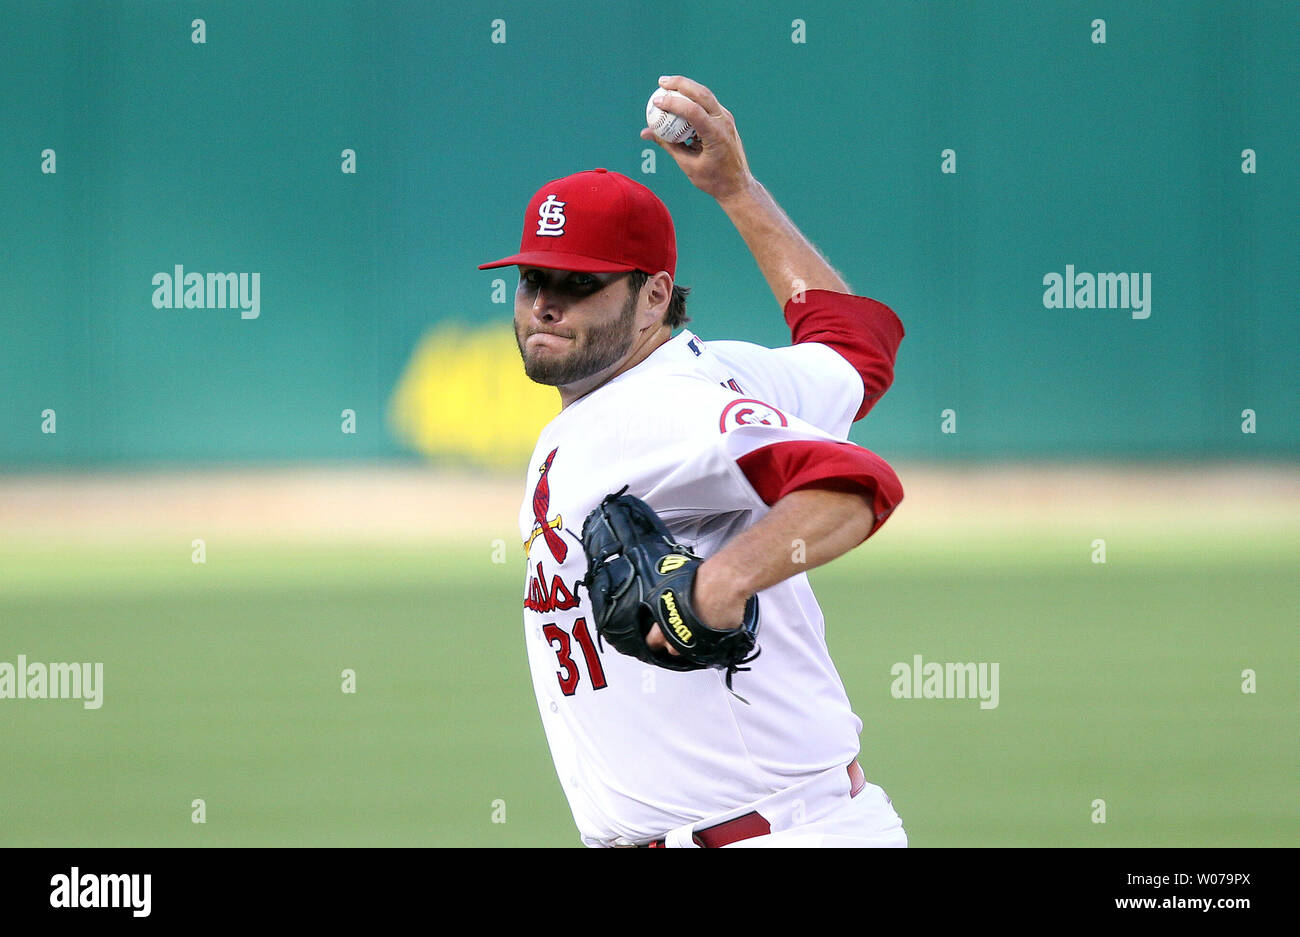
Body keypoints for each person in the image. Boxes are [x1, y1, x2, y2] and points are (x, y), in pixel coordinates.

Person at [478, 76, 907, 847]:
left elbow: (856, 485)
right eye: (534, 277)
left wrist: (720, 581)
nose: (545, 302)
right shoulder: (720, 371)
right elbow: (854, 346)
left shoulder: (656, 407)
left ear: (654, 296)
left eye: (579, 284)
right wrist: (737, 192)